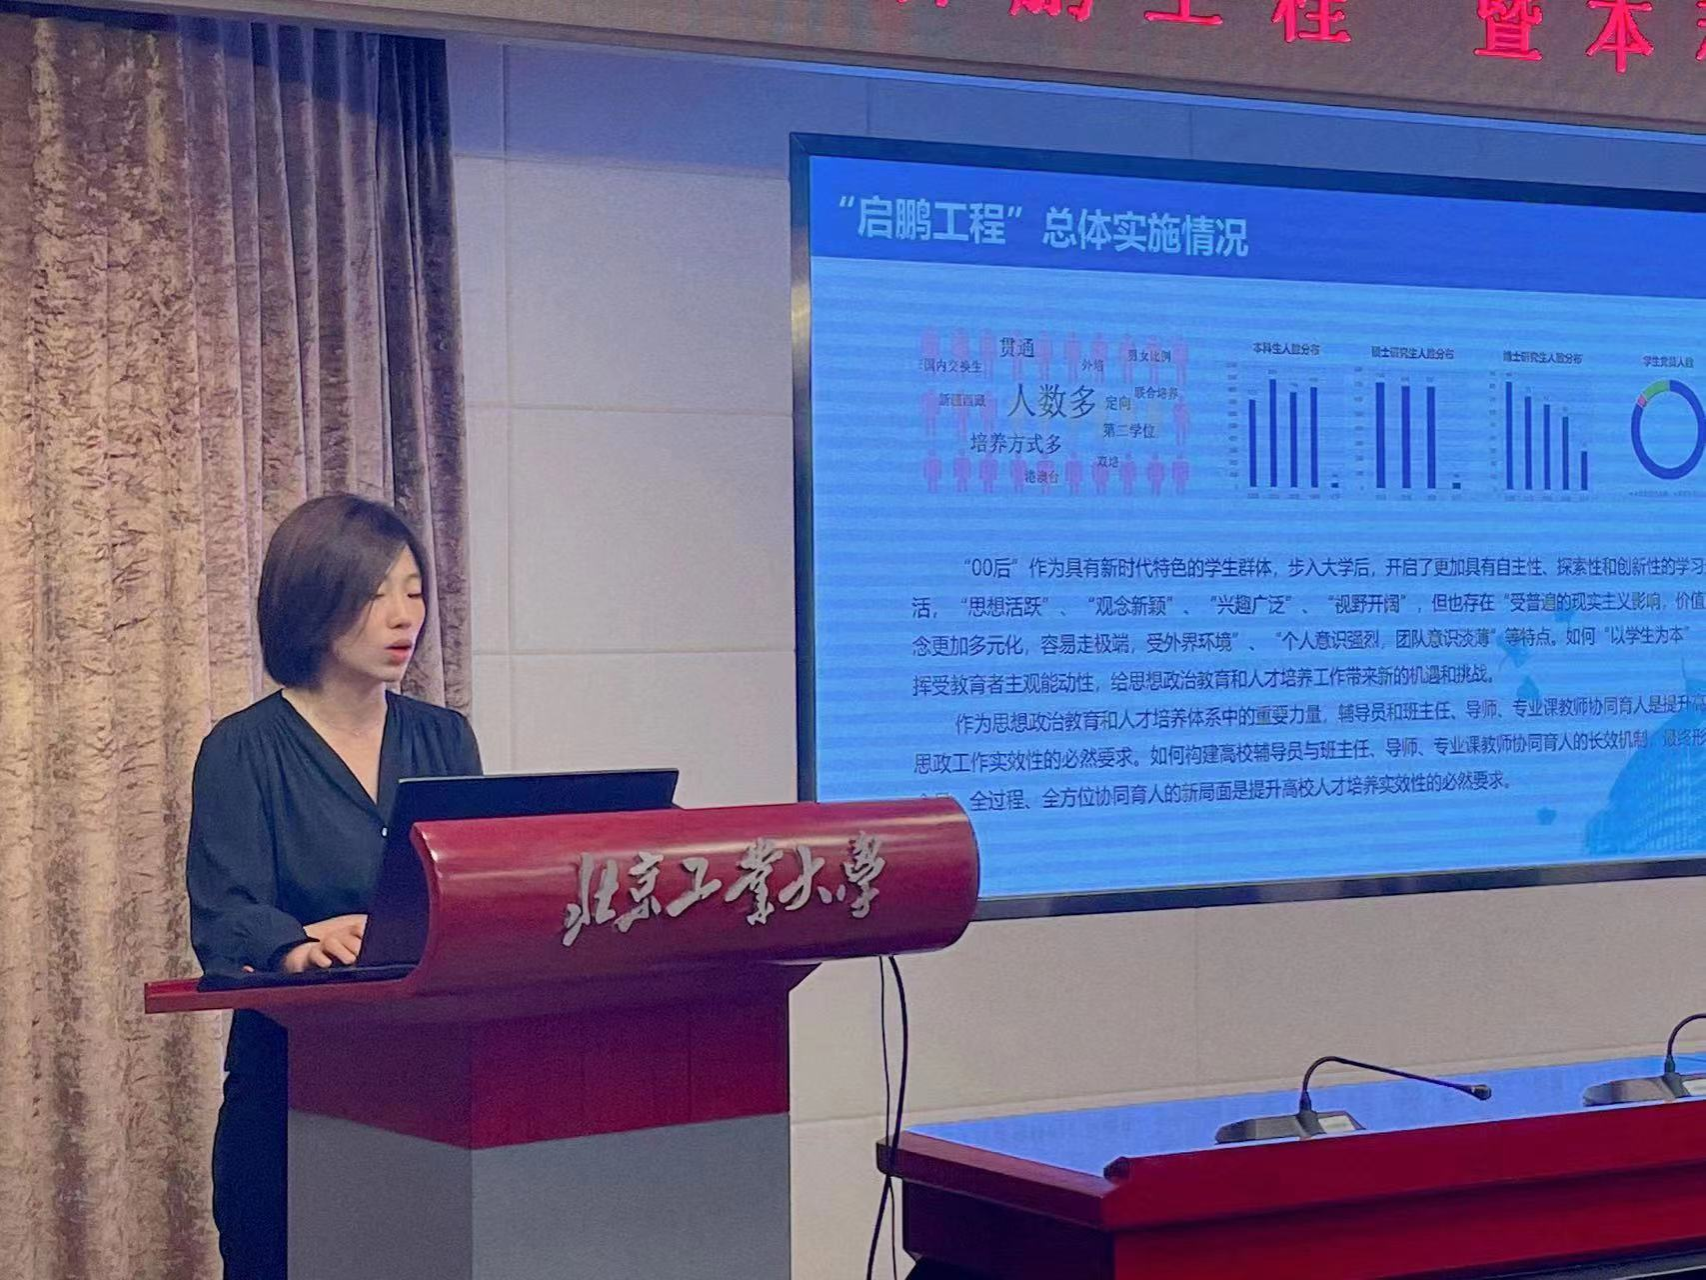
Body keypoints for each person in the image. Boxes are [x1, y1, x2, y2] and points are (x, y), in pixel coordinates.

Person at [185, 494, 481, 1280]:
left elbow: (469, 887)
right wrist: (298, 945)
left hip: (428, 1088)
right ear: (312, 604)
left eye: (414, 590)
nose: (404, 615)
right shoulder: (242, 749)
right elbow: (225, 916)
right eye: (375, 594)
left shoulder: (444, 737)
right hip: (291, 1092)